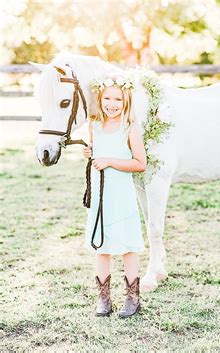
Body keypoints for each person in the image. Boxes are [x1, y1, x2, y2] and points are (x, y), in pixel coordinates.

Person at [82, 76, 146, 317]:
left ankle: (132, 297)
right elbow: (96, 155)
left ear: (126, 100)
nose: (112, 103)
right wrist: (89, 152)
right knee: (102, 246)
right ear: (100, 99)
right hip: (100, 194)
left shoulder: (130, 129)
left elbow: (140, 163)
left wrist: (110, 161)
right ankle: (103, 298)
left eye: (117, 99)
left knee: (128, 246)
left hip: (121, 194)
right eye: (107, 98)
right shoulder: (94, 125)